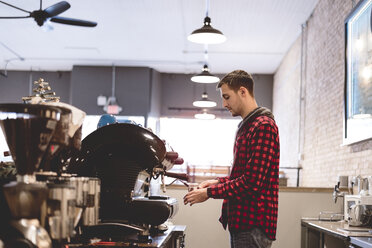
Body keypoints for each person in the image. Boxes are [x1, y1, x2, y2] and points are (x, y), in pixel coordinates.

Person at [183, 70, 280, 248]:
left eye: (227, 97)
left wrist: (209, 193)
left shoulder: (263, 126)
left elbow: (252, 183)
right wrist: (215, 182)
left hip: (253, 224)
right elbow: (242, 176)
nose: (224, 103)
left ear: (243, 92)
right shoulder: (248, 126)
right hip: (243, 223)